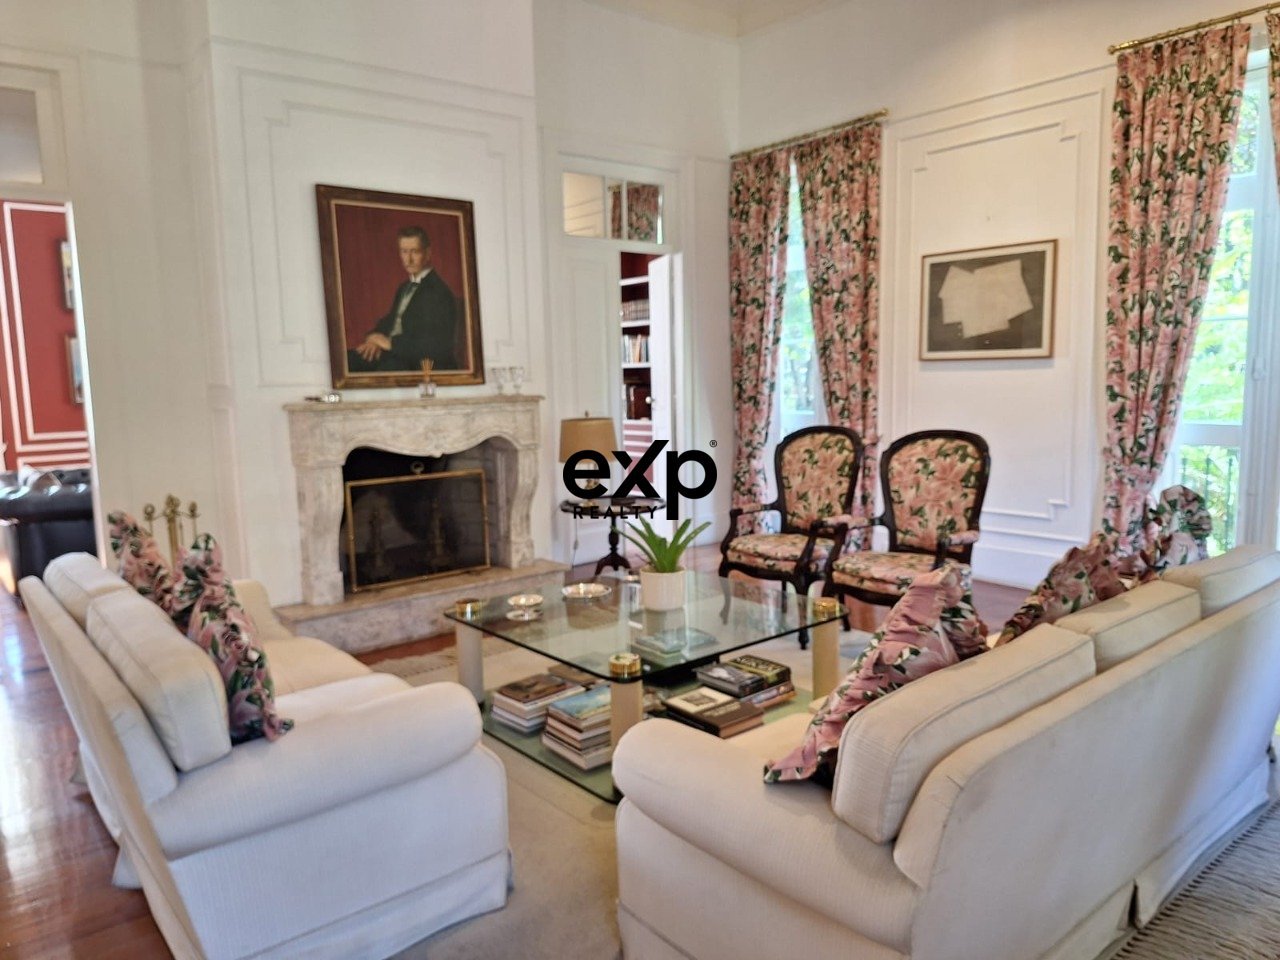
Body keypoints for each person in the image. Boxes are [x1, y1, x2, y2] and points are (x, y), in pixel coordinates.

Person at [346, 226, 460, 373]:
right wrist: (373, 339)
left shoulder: (439, 292)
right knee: (346, 361)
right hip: (393, 354)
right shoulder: (404, 287)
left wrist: (389, 343)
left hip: (418, 363)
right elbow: (391, 320)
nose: (409, 259)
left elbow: (433, 344)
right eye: (404, 252)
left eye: (415, 251)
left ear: (427, 253)